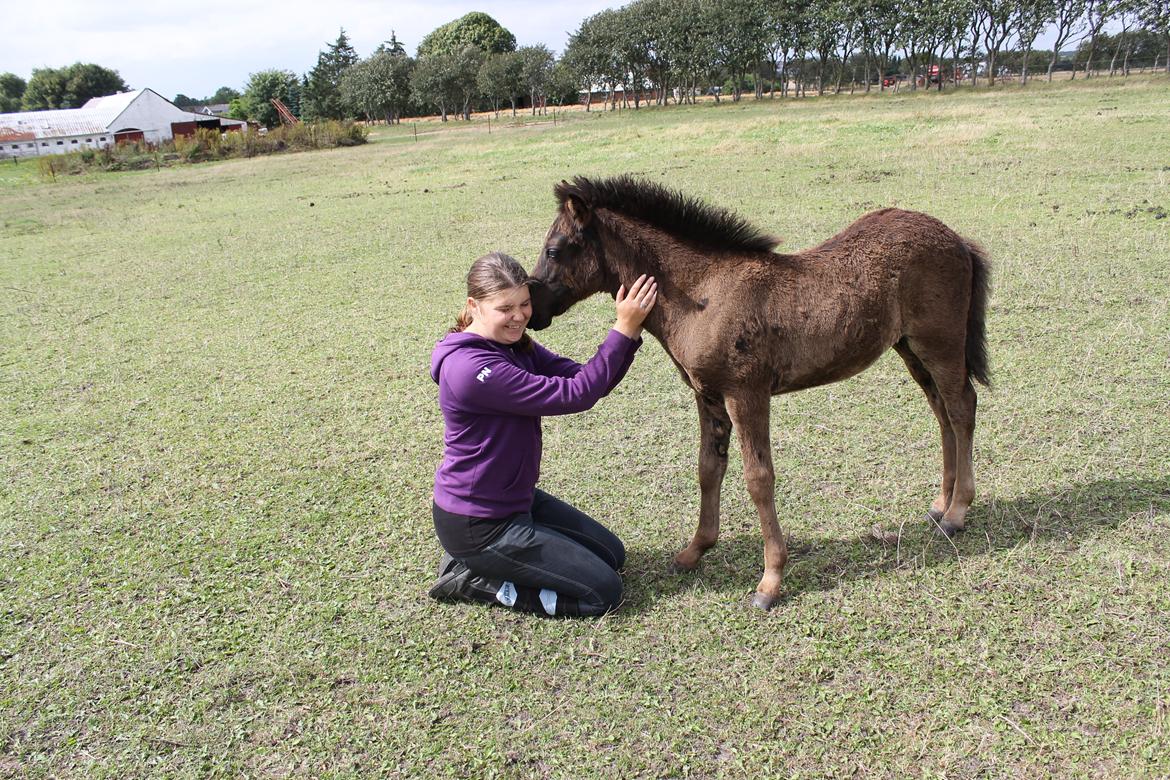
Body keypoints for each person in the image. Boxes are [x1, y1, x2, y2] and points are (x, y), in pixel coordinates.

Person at [428, 251, 657, 617]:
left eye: (524, 303)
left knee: (613, 556)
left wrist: (627, 338)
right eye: (505, 308)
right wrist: (624, 329)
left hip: (516, 501)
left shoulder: (514, 345)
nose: (519, 316)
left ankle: (494, 562)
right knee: (603, 593)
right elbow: (577, 394)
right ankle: (472, 579)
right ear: (474, 306)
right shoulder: (471, 370)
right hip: (481, 524)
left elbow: (585, 379)